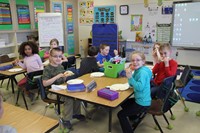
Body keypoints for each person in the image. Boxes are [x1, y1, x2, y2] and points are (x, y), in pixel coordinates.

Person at [42, 47, 85, 129]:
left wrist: (65, 76)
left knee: (77, 93)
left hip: (61, 88)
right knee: (68, 98)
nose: (58, 58)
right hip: (51, 92)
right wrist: (56, 76)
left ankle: (75, 113)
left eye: (59, 56)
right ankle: (66, 119)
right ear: (50, 57)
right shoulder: (47, 69)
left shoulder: (60, 66)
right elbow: (45, 83)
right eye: (55, 56)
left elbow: (62, 80)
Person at [117, 51, 152, 133]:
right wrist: (130, 75)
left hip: (142, 103)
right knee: (122, 101)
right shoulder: (142, 69)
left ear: (143, 61)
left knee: (120, 115)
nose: (135, 62)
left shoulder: (142, 73)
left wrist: (130, 78)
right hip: (142, 100)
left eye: (138, 60)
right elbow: (132, 84)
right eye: (133, 60)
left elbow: (139, 87)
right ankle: (133, 117)